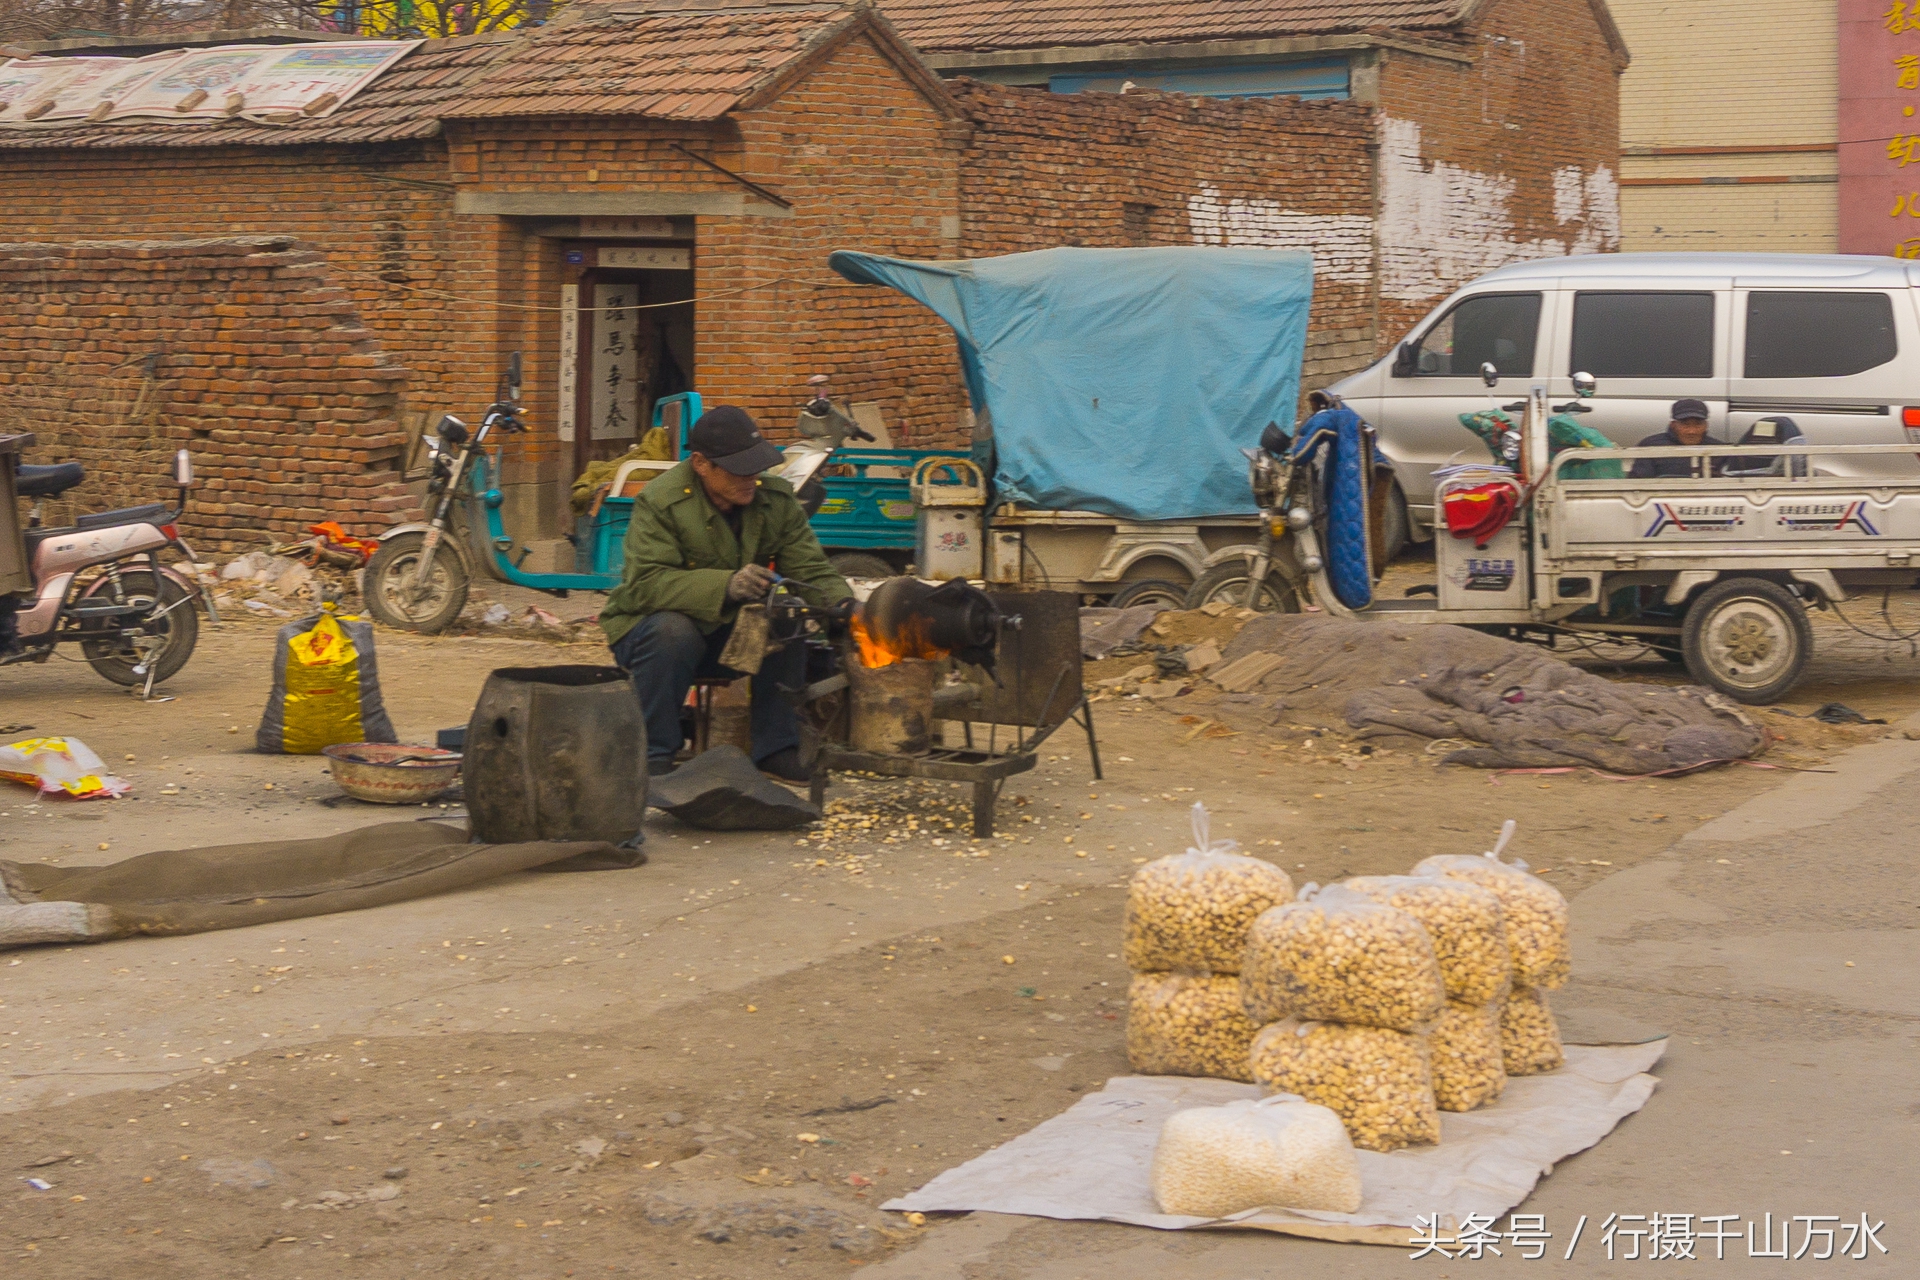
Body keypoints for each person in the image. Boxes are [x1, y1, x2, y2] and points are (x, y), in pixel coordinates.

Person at [600, 405, 852, 780]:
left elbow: (811, 568)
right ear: (701, 464)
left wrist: (845, 605)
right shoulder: (661, 502)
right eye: (739, 469)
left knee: (788, 614)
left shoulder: (774, 500)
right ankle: (652, 752)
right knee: (674, 631)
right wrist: (727, 585)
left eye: (756, 466)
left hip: (728, 637)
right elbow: (647, 584)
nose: (751, 477)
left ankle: (776, 748)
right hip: (649, 633)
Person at [1628, 398, 1719, 479]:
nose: (1692, 431)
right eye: (1685, 425)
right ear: (1673, 425)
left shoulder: (1719, 449)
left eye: (1698, 424)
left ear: (1706, 426)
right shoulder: (1650, 445)